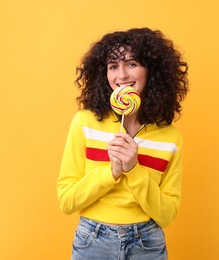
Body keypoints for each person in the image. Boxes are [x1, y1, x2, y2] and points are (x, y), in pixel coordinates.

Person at [57, 27, 189, 260]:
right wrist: (112, 172)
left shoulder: (170, 137)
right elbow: (67, 201)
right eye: (113, 66)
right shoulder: (85, 123)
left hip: (147, 243)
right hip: (93, 240)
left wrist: (133, 170)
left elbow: (167, 215)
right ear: (103, 74)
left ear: (151, 71)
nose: (122, 76)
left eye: (132, 64)